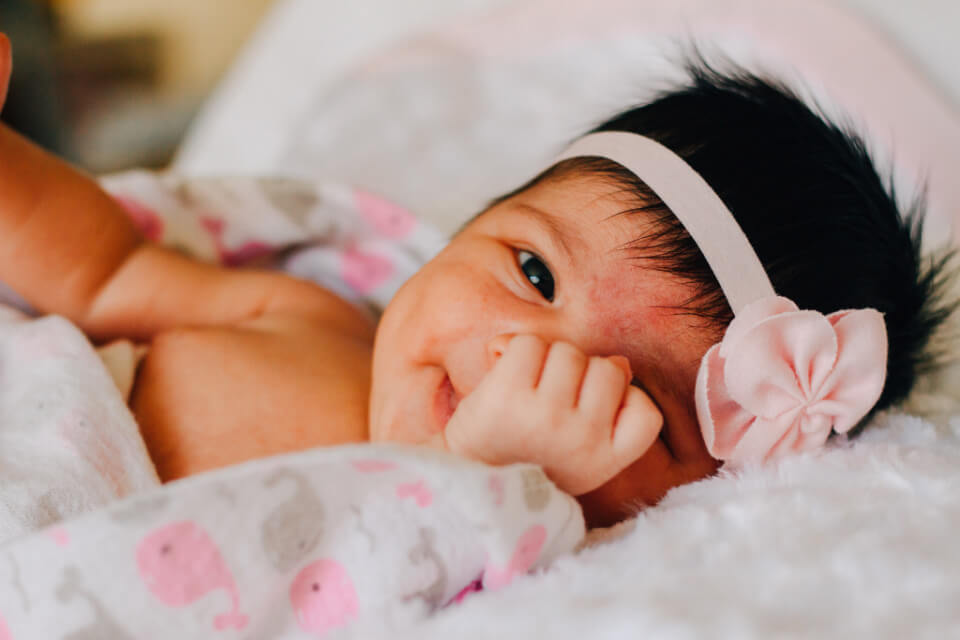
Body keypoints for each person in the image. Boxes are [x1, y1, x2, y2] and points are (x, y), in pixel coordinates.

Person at [0, 33, 950, 529]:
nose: (524, 362)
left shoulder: (515, 561)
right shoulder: (305, 317)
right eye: (534, 272)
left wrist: (486, 487)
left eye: (635, 401)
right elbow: (103, 269)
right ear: (466, 228)